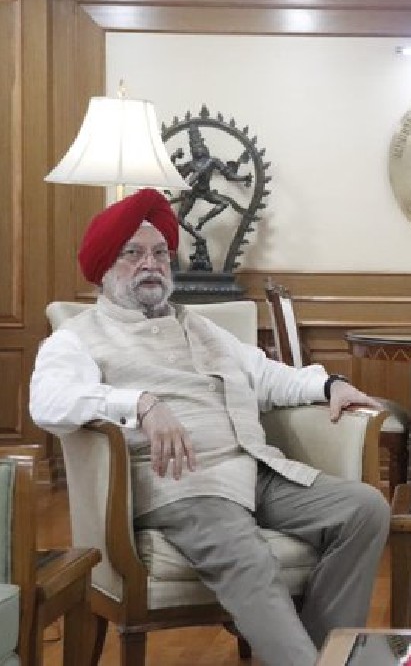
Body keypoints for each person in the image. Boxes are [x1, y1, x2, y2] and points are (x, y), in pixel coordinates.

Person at [29, 188, 390, 666]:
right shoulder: (77, 337)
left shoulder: (196, 324)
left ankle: (327, 655)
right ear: (104, 268)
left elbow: (263, 375)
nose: (150, 264)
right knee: (248, 557)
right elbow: (47, 403)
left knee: (364, 509)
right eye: (132, 254)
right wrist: (140, 402)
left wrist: (329, 386)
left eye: (160, 253)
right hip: (182, 484)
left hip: (252, 466)